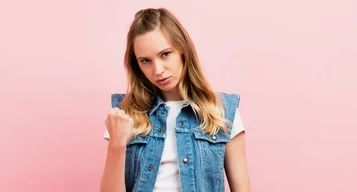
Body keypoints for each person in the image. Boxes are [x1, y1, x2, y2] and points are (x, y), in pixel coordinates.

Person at [99, 7, 251, 192]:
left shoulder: (223, 112)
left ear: (183, 51)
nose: (158, 70)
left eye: (165, 54)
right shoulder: (124, 115)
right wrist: (117, 144)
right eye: (145, 60)